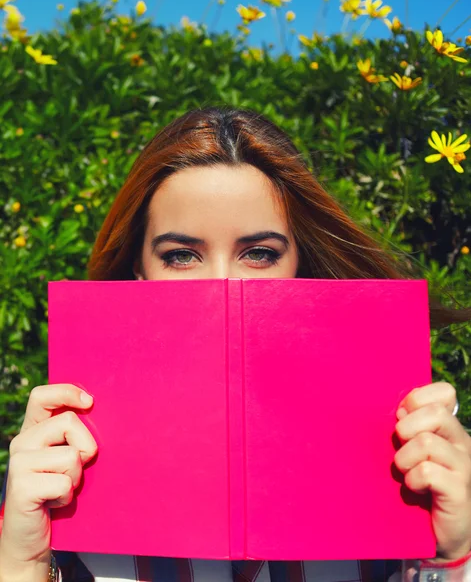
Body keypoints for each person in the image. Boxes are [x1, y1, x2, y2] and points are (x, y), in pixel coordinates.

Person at [0, 106, 470, 582]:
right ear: (138, 273)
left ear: (301, 268)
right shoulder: (58, 478)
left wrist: (454, 557)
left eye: (260, 253)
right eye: (181, 255)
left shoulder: (398, 456)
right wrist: (21, 565)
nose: (221, 285)